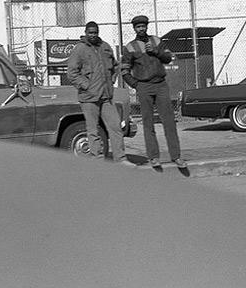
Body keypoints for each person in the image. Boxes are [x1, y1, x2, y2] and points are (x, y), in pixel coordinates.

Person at [121, 15, 189, 176]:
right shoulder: (130, 47)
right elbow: (124, 70)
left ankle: (176, 156)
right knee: (148, 123)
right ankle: (153, 157)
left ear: (147, 26)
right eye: (138, 27)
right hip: (143, 86)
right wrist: (136, 85)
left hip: (160, 85)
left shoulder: (157, 41)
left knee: (169, 122)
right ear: (134, 28)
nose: (141, 29)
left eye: (143, 26)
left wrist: (156, 51)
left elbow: (168, 58)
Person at [67, 21, 133, 166]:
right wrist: (87, 85)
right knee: (93, 130)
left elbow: (115, 66)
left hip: (106, 97)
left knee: (116, 127)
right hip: (89, 98)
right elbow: (72, 73)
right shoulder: (80, 49)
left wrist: (112, 79)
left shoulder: (105, 47)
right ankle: (97, 160)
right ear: (85, 32)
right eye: (90, 32)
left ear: (98, 32)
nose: (93, 35)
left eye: (95, 32)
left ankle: (120, 159)